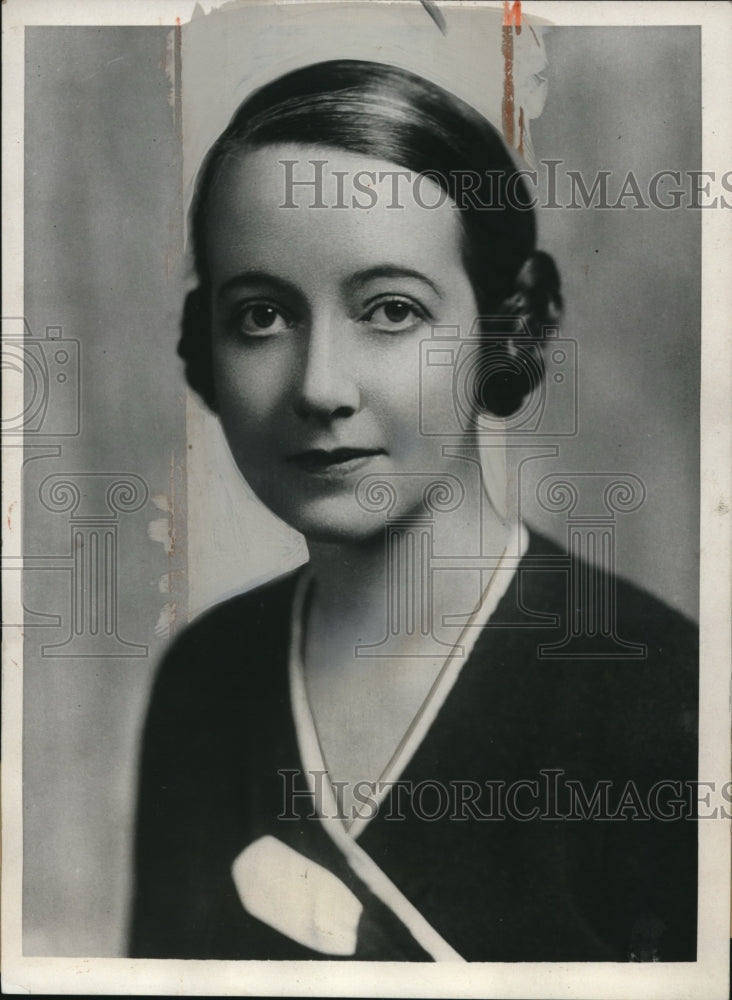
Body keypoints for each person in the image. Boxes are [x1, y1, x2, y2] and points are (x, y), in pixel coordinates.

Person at [130, 60, 697, 962]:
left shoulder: (665, 695)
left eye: (391, 310)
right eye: (262, 316)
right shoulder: (206, 680)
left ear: (498, 329)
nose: (320, 387)